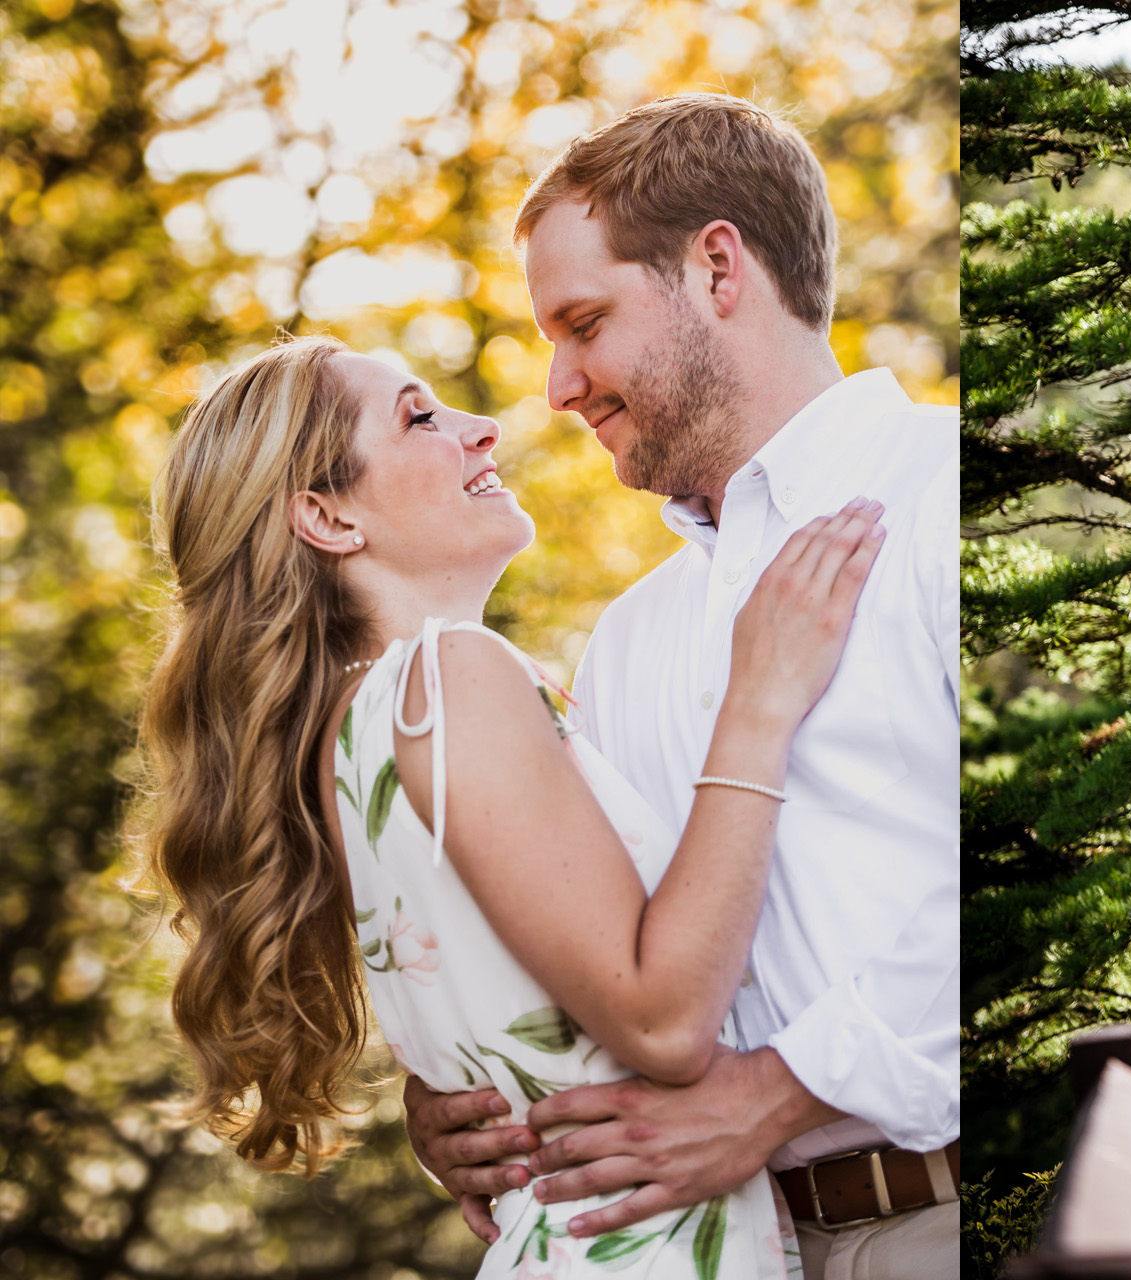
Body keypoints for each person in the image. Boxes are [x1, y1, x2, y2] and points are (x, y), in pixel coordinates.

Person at [142, 333, 886, 1277]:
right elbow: (661, 1021)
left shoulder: (351, 738)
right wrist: (758, 703)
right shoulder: (449, 679)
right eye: (419, 417)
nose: (484, 428)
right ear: (326, 519)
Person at [400, 95, 961, 1280]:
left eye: (584, 322)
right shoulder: (628, 640)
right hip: (704, 1250)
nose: (557, 385)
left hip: (940, 1221)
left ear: (716, 269)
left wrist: (778, 1091)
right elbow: (614, 952)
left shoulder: (947, 505)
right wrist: (464, 1088)